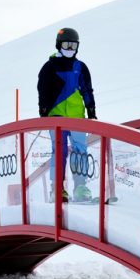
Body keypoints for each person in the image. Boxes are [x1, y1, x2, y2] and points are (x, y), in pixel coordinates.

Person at [37, 27, 97, 202]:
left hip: (77, 117)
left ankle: (81, 186)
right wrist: (43, 110)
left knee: (80, 150)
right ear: (59, 45)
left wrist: (91, 109)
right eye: (66, 45)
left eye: (73, 46)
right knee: (59, 151)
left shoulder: (80, 67)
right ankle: (57, 189)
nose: (70, 49)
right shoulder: (49, 67)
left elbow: (87, 89)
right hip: (56, 117)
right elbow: (43, 90)